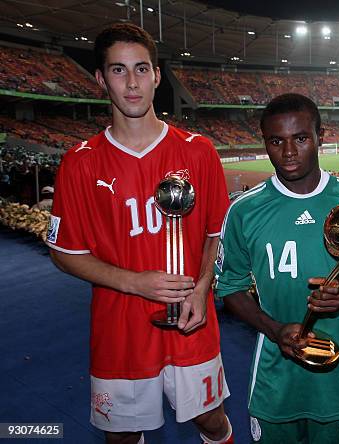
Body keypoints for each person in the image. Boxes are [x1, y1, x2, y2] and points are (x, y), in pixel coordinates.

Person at [46, 23, 233, 444]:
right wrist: (136, 282)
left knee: (211, 421)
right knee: (123, 437)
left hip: (191, 321)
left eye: (141, 69)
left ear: (156, 76)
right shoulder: (80, 163)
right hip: (119, 329)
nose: (132, 83)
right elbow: (64, 252)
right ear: (100, 79)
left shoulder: (197, 151)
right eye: (118, 70)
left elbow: (214, 234)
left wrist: (202, 288)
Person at [215, 93, 339, 443]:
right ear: (265, 142)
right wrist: (275, 329)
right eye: (276, 141)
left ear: (321, 137)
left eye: (301, 138)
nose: (289, 152)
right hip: (274, 385)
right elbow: (230, 288)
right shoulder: (244, 211)